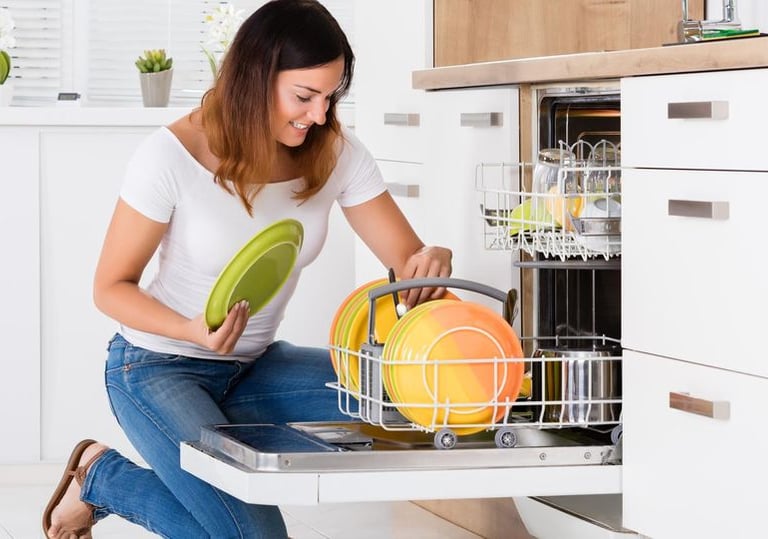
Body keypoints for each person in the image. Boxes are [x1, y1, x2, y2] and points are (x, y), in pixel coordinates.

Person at [41, 1, 452, 537]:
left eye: (330, 98)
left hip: (255, 368)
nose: (320, 115)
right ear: (255, 78)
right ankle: (102, 478)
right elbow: (109, 288)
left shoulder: (336, 153)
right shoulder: (169, 157)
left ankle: (137, 476)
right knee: (251, 534)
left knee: (406, 389)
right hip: (156, 367)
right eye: (304, 97)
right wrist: (191, 330)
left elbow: (408, 264)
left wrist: (429, 262)